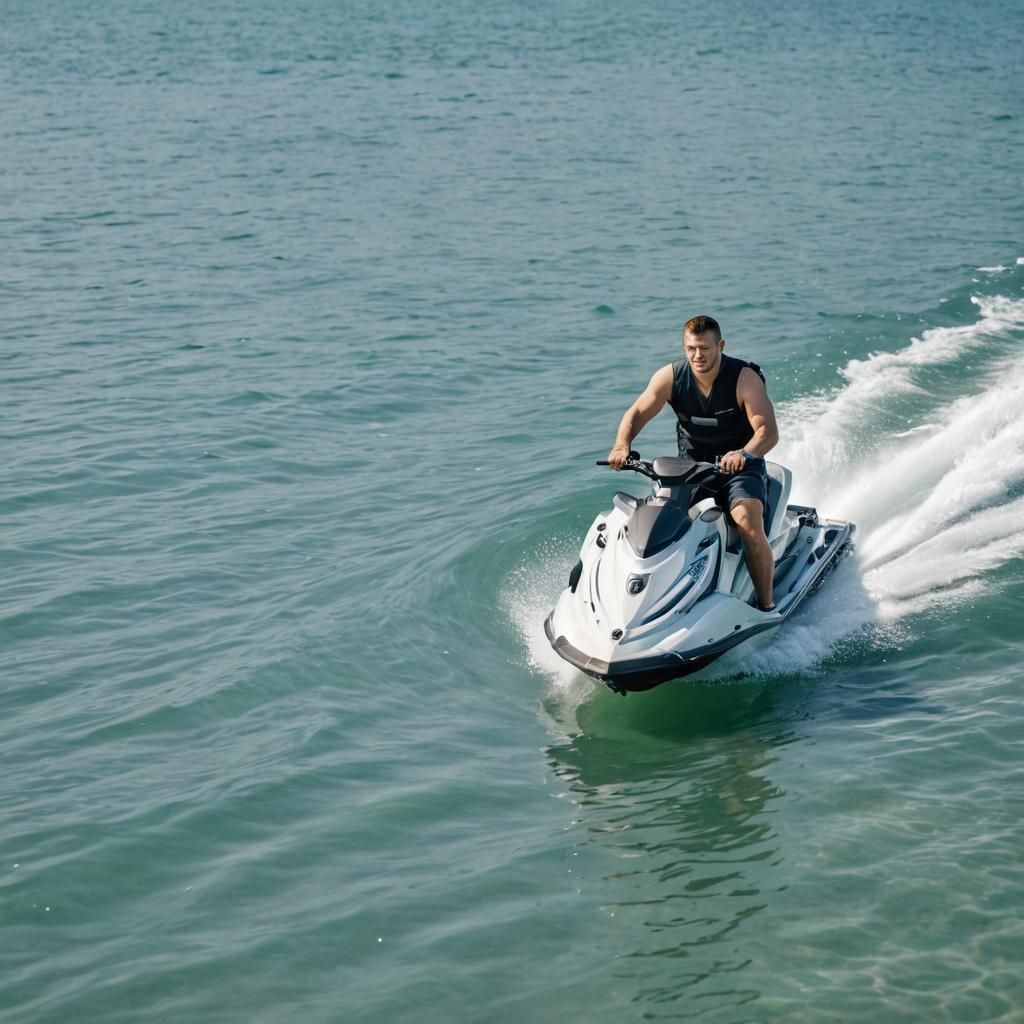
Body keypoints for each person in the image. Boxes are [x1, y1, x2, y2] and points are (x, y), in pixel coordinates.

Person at [607, 315, 780, 612]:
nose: (697, 355)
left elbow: (768, 432)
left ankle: (766, 605)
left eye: (704, 348)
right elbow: (637, 412)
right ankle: (638, 602)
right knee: (652, 522)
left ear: (720, 346)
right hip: (690, 470)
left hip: (740, 469)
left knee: (748, 524)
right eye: (691, 348)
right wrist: (622, 445)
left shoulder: (744, 378)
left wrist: (744, 454)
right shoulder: (671, 376)